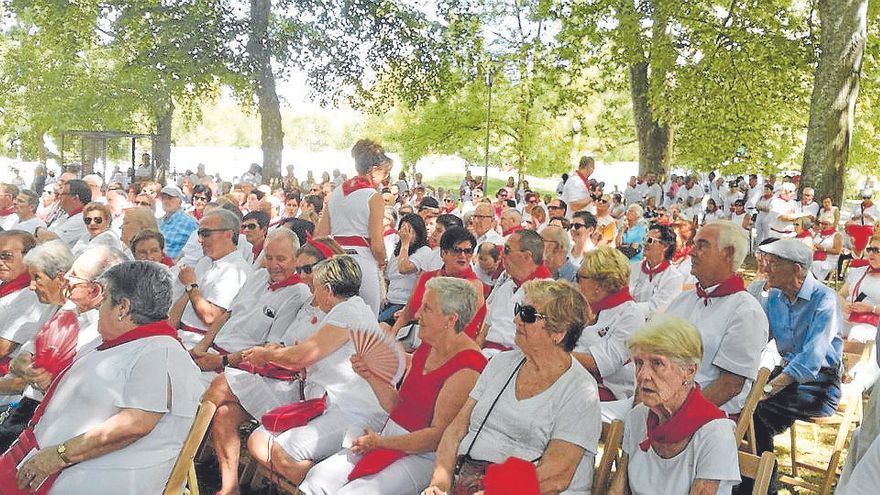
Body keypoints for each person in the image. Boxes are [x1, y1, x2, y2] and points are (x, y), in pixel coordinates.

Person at [0, 261, 202, 494]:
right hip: (44, 462)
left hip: (92, 480)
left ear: (123, 307)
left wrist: (59, 455)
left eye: (104, 298)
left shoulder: (162, 352)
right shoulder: (115, 341)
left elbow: (136, 424)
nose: (98, 306)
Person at [300, 277, 487, 494]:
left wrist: (381, 442)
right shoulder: (429, 343)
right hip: (389, 437)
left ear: (450, 319)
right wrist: (371, 376)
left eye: (426, 309)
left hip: (422, 456)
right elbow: (398, 406)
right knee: (318, 478)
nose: (417, 315)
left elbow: (436, 437)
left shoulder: (468, 367)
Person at [424, 280, 600, 495]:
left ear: (559, 332)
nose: (516, 319)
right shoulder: (501, 363)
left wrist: (495, 491)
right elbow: (455, 431)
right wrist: (440, 483)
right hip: (471, 480)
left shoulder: (580, 391)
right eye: (519, 310)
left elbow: (556, 475)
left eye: (528, 315)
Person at [201, 236, 342, 495]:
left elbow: (304, 356)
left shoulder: (335, 310)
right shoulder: (309, 300)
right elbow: (284, 342)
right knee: (224, 415)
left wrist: (273, 353)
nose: (302, 275)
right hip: (282, 376)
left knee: (219, 386)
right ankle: (229, 488)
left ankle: (178, 456)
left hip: (302, 389)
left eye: (308, 270)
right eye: (300, 269)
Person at [242, 256, 387, 487]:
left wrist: (266, 354)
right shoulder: (352, 309)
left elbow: (301, 356)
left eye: (316, 287)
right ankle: (312, 482)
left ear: (328, 290)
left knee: (277, 450)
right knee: (259, 440)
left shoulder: (348, 312)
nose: (314, 294)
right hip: (327, 404)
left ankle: (318, 484)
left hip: (352, 411)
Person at [0, 246, 125, 450]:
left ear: (95, 290)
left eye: (73, 275)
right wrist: (30, 369)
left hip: (53, 425)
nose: (65, 278)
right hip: (27, 409)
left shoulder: (105, 331)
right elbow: (23, 357)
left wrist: (47, 381)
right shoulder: (69, 309)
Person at [748, 239, 843, 494]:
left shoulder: (825, 299)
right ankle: (747, 481)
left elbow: (811, 359)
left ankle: (763, 486)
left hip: (820, 385)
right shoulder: (775, 297)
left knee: (756, 411)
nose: (766, 269)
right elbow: (757, 338)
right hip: (787, 375)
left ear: (797, 269)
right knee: (740, 403)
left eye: (774, 264)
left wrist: (765, 390)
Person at [609, 315, 740, 495]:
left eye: (657, 363)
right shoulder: (638, 417)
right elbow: (618, 490)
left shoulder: (715, 433)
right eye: (639, 363)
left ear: (689, 371)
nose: (643, 375)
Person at [665, 220, 769, 416]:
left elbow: (730, 385)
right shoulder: (683, 300)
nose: (691, 252)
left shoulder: (746, 313)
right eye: (694, 244)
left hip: (706, 416)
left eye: (702, 245)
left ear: (728, 253)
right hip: (663, 403)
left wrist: (678, 414)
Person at [314, 139, 391, 316]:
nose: (384, 180)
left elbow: (320, 236)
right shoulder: (373, 197)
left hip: (336, 261)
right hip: (363, 262)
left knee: (336, 316)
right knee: (368, 320)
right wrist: (383, 261)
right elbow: (377, 245)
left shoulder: (335, 193)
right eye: (384, 174)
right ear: (374, 170)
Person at [169, 209, 253, 349]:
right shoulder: (205, 261)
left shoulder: (237, 271)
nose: (200, 239)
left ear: (228, 234)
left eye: (205, 234)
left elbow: (211, 317)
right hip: (180, 337)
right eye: (199, 233)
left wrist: (190, 285)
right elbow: (184, 300)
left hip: (199, 343)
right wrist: (167, 332)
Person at [385, 227, 485, 343]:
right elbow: (406, 314)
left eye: (467, 251)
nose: (463, 256)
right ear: (443, 253)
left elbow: (461, 329)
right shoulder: (426, 277)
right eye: (456, 250)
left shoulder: (473, 286)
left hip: (450, 346)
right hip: (418, 337)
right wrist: (390, 341)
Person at [574, 247, 644, 404]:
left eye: (580, 277)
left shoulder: (630, 314)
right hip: (575, 383)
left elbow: (600, 364)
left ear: (599, 285)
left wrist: (553, 353)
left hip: (606, 397)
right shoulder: (587, 306)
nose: (576, 282)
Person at [481, 230, 552, 356]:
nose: (501, 255)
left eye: (507, 250)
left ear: (527, 256)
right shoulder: (506, 287)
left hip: (515, 361)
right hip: (486, 355)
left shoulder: (549, 292)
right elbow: (484, 333)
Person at [0, 231, 42, 397]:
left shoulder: (32, 293)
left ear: (29, 257)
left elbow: (2, 347)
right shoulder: (7, 284)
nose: (1, 262)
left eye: (7, 256)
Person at [381, 213, 433, 324]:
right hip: (390, 300)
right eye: (403, 230)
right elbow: (389, 276)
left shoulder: (424, 251)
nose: (405, 234)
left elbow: (404, 268)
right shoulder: (397, 251)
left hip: (404, 304)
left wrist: (405, 243)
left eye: (409, 231)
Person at [629, 224, 684, 317]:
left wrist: (627, 308)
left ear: (665, 246)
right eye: (645, 239)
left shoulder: (674, 277)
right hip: (629, 317)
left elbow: (657, 308)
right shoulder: (635, 267)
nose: (645, 243)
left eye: (650, 241)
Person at [158, 185, 198, 259]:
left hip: (175, 266)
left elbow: (196, 249)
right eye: (163, 198)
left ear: (179, 201)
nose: (166, 201)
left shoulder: (190, 223)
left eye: (170, 198)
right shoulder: (159, 221)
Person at [47, 179, 90, 247]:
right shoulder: (66, 215)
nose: (59, 197)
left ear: (75, 198)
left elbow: (51, 240)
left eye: (63, 194)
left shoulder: (83, 218)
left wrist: (38, 230)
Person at [811, 215, 842, 282]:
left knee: (816, 264)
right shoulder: (818, 234)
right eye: (822, 224)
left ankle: (814, 282)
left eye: (826, 224)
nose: (823, 226)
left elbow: (838, 251)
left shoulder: (836, 235)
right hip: (814, 256)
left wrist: (824, 249)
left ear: (831, 225)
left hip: (828, 260)